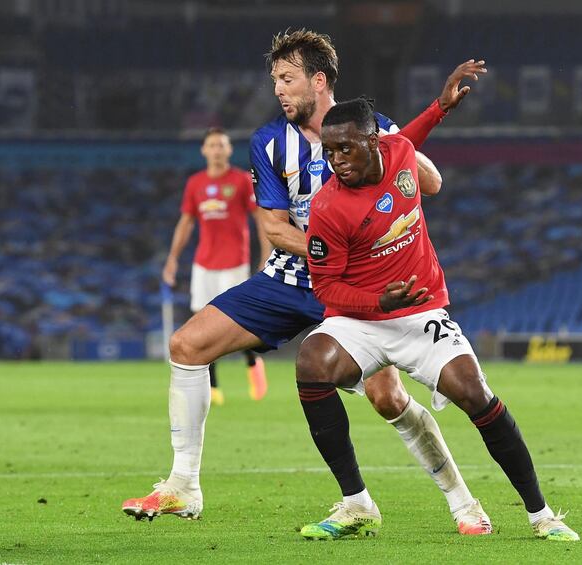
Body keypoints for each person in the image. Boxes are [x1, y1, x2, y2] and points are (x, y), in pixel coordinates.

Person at [122, 30, 490, 536]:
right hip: (289, 279)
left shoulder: (370, 130)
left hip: (352, 290)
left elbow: (430, 184)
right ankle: (184, 484)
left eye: (288, 78)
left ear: (319, 82)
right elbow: (274, 229)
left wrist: (396, 141)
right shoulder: (268, 142)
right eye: (275, 79)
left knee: (388, 398)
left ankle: (463, 502)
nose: (278, 88)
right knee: (187, 345)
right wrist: (328, 248)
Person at [297, 96, 579, 541]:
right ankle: (357, 503)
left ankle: (542, 515)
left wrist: (442, 106)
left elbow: (410, 137)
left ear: (374, 143)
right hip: (361, 317)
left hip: (421, 311)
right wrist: (377, 303)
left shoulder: (401, 153)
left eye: (345, 149)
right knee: (311, 361)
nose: (337, 161)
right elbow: (325, 288)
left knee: (475, 393)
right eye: (329, 152)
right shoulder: (328, 207)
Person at [162, 127, 272, 405]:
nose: (217, 150)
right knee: (202, 325)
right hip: (204, 265)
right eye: (212, 145)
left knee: (237, 324)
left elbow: (260, 218)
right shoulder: (195, 184)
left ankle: (253, 364)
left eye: (221, 145)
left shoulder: (242, 180)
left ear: (228, 150)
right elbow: (186, 223)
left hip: (234, 263)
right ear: (204, 150)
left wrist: (266, 252)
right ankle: (213, 387)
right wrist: (173, 258)